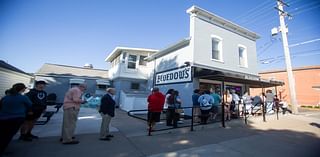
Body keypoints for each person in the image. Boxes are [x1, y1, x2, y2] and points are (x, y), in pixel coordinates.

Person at [0, 83, 32, 155]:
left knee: (2, 134)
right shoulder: (23, 97)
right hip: (16, 118)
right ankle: (2, 150)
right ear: (22, 89)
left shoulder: (5, 97)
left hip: (2, 118)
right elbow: (30, 105)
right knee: (8, 135)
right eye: (24, 88)